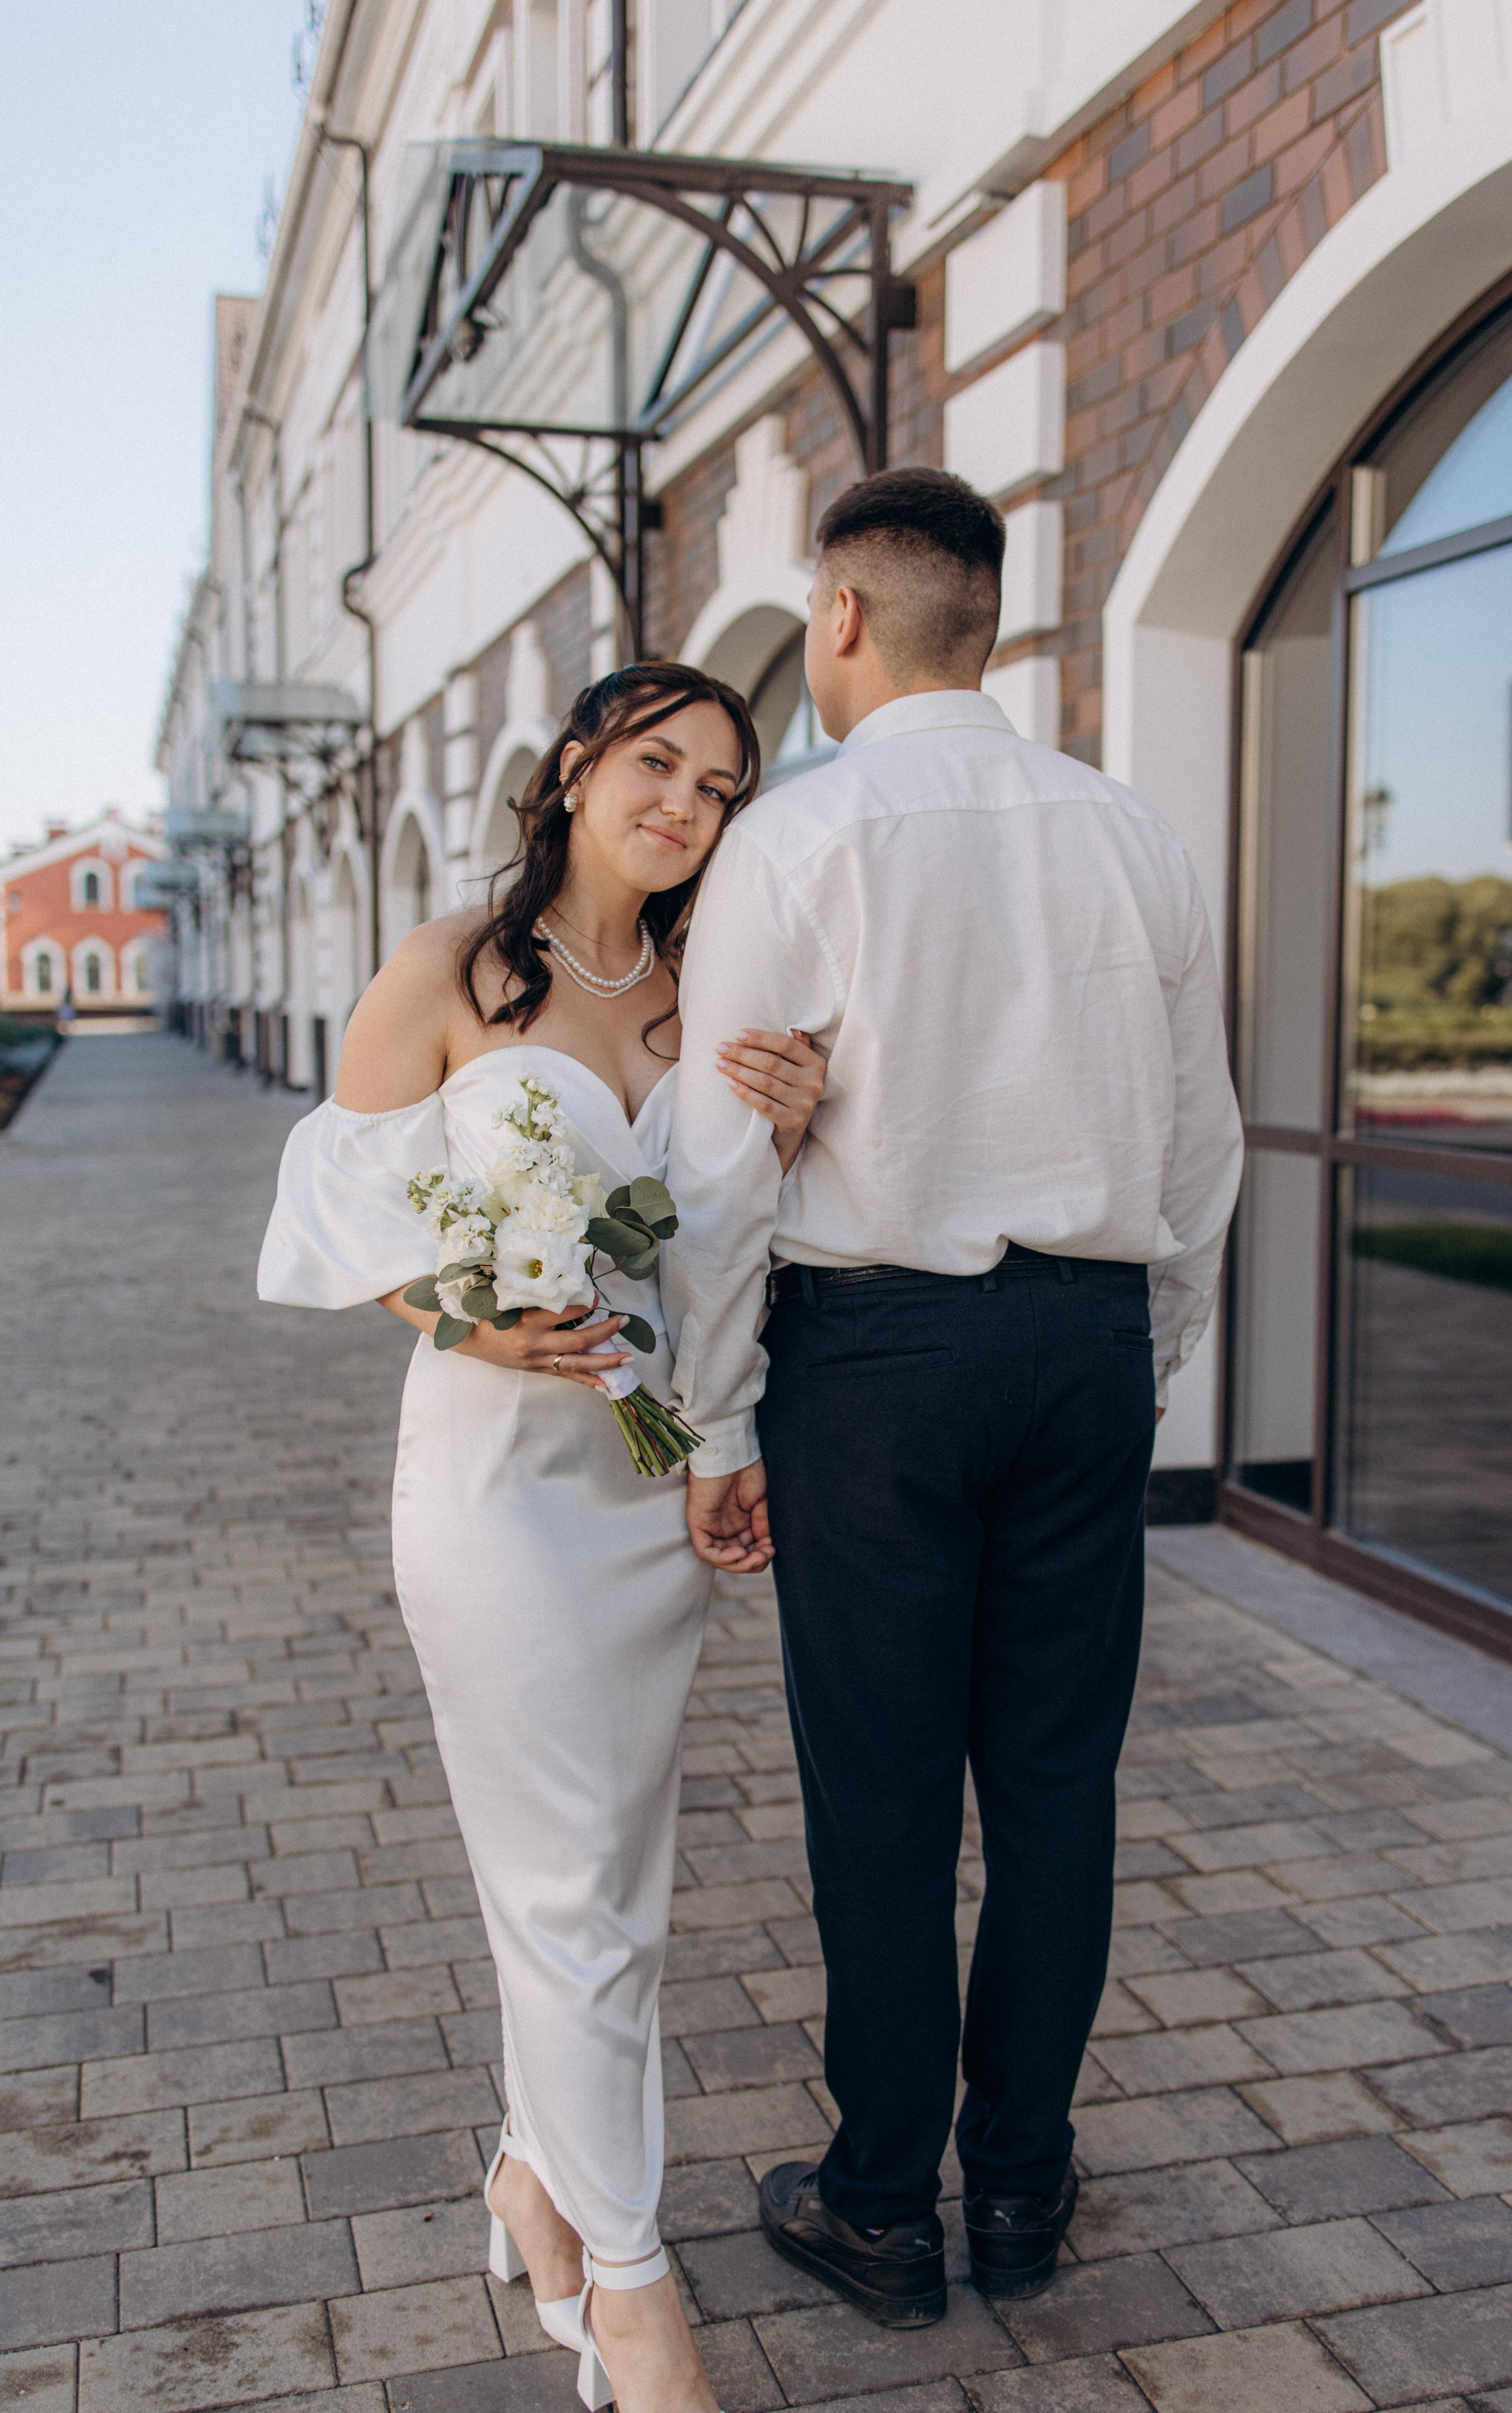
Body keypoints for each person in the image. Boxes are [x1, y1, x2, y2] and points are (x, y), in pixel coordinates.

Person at [662, 468, 1244, 2325]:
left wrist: (718, 1415)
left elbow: (723, 1163)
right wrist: (1135, 1357)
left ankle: (882, 2208)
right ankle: (1020, 2193)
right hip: (1081, 1349)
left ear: (839, 620)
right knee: (1059, 1789)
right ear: (982, 620)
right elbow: (1205, 1151)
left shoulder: (804, 837)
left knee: (886, 1802)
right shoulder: (1136, 832)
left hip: (879, 1363)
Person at [258, 663, 824, 2413]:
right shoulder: (449, 971)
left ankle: (531, 2172)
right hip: (497, 1492)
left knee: (604, 1890)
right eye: (660, 762)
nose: (686, 804)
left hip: (649, 1500)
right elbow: (340, 1215)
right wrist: (469, 1317)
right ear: (579, 764)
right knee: (573, 1889)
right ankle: (635, 2292)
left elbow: (724, 1258)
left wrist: (789, 1140)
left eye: (723, 786)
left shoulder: (711, 994)